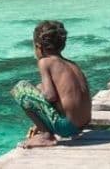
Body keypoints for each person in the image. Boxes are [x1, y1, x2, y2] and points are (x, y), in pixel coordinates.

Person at [11, 20, 92, 148]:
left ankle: (45, 136)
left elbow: (50, 96)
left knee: (20, 88)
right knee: (38, 87)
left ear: (38, 46)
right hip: (83, 124)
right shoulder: (72, 64)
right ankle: (43, 129)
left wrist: (40, 117)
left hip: (67, 127)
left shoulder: (45, 62)